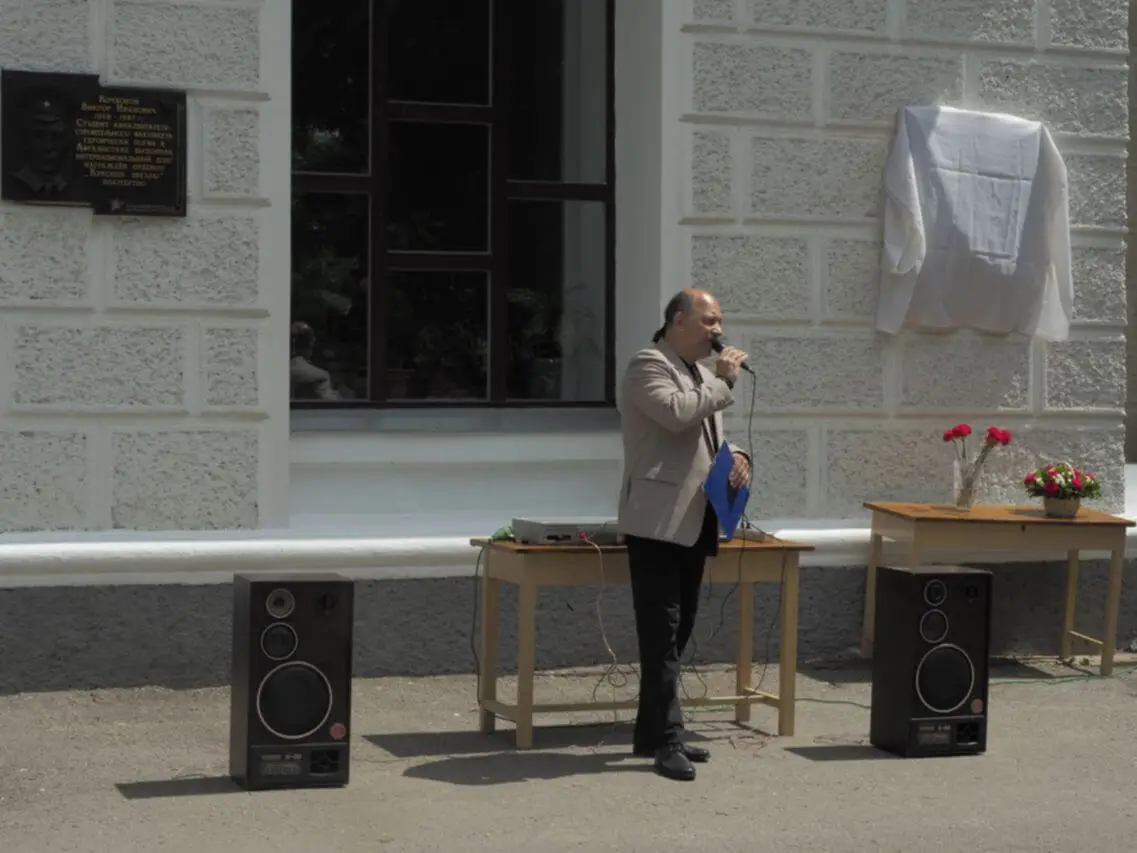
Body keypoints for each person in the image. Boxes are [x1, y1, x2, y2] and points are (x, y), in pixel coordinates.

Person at [616, 288, 751, 781]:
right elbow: (676, 415)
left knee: (679, 630)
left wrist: (739, 458)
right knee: (662, 635)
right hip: (657, 522)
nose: (718, 330)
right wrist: (724, 381)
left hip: (697, 519)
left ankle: (651, 733)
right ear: (678, 320)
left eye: (720, 320)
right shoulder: (647, 365)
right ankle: (668, 740)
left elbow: (709, 437)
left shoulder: (701, 375)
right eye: (709, 320)